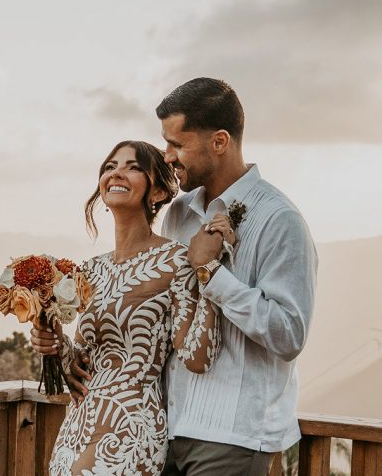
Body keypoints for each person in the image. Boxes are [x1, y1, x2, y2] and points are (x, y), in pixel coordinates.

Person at [157, 77, 318, 475]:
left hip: (233, 436)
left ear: (219, 141)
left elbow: (289, 333)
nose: (168, 156)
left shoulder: (280, 219)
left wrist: (211, 274)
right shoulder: (178, 214)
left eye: (178, 144)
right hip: (168, 429)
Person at [35, 140, 220, 476]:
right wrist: (54, 342)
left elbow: (198, 358)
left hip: (130, 428)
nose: (117, 172)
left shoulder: (176, 261)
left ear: (158, 192)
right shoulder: (90, 271)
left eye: (133, 167)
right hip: (77, 427)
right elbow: (81, 361)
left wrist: (207, 269)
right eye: (110, 166)